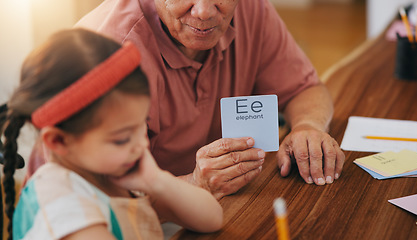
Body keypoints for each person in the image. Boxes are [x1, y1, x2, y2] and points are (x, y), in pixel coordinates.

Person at [28, 0, 345, 200]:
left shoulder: (252, 8)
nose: (205, 12)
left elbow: (305, 88)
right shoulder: (113, 52)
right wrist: (193, 186)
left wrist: (307, 124)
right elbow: (99, 203)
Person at [0, 28, 222, 240]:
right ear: (59, 140)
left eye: (142, 126)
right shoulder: (60, 202)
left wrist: (157, 180)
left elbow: (212, 219)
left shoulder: (116, 171)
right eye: (122, 139)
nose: (140, 144)